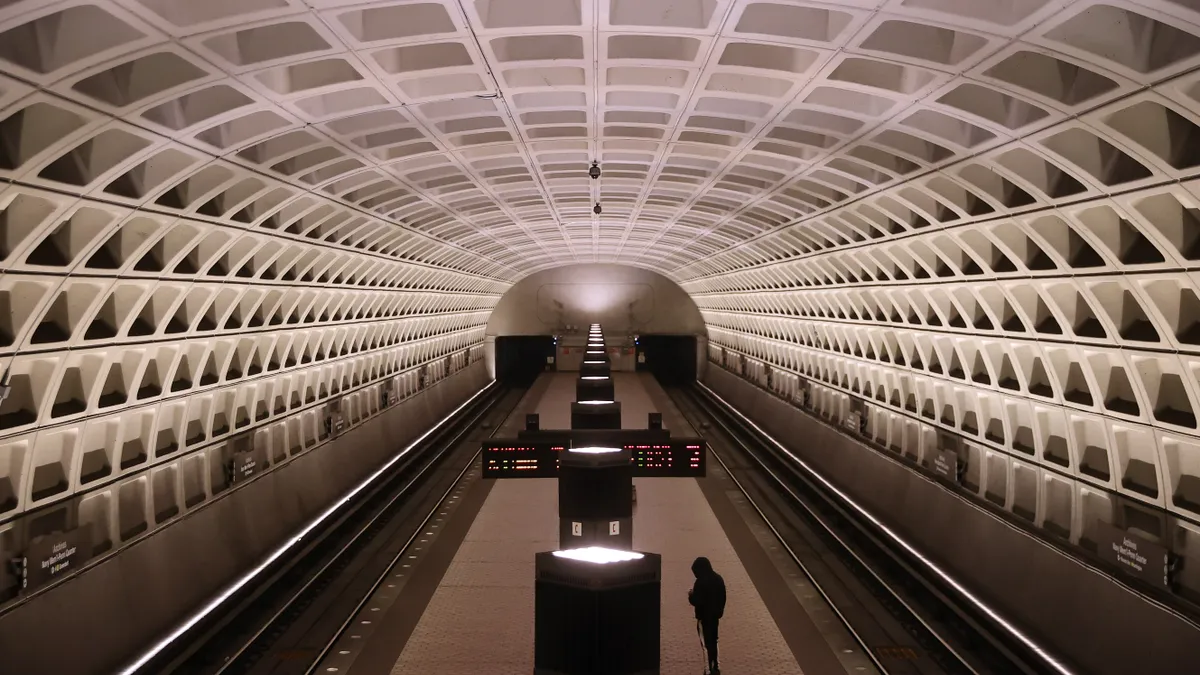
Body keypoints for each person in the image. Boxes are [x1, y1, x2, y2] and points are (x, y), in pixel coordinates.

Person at [688, 556, 726, 674]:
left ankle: (708, 669)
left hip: (703, 619)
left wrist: (690, 595)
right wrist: (720, 611)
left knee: (705, 644)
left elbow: (697, 601)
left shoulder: (700, 582)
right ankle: (716, 666)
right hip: (714, 618)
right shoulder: (718, 579)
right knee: (714, 641)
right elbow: (723, 597)